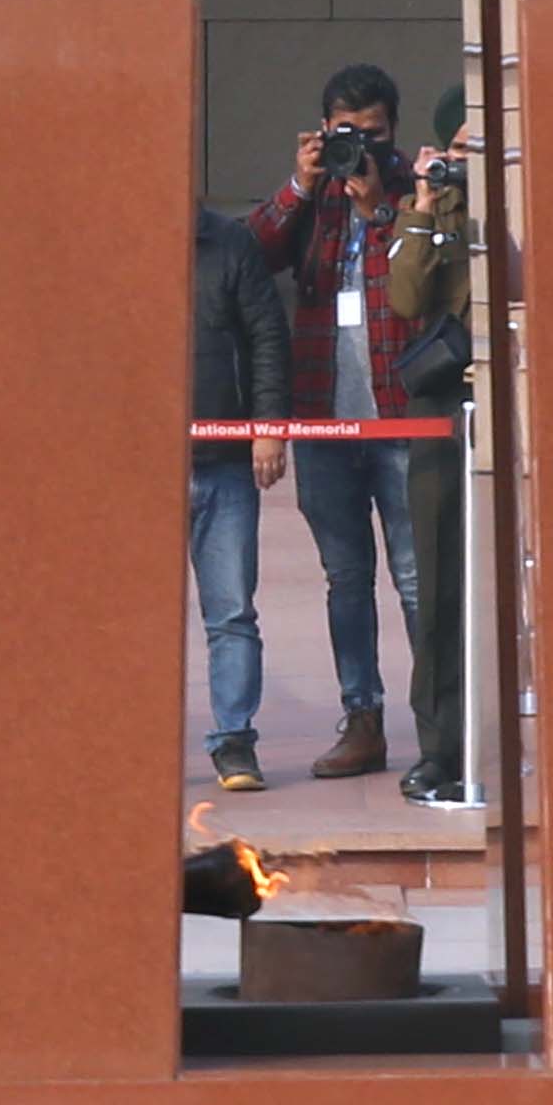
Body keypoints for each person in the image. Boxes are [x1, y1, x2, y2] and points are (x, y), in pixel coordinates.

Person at [249, 62, 424, 782]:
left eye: (373, 135)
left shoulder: (416, 189)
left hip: (402, 417)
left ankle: (439, 725)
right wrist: (300, 182)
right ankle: (363, 719)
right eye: (345, 134)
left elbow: (424, 284)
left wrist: (379, 205)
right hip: (326, 415)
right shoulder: (313, 194)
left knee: (414, 577)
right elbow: (251, 255)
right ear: (324, 131)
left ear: (393, 133)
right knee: (346, 577)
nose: (360, 147)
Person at [387, 86, 482, 803]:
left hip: (525, 393)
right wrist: (424, 202)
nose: (467, 162)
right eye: (458, 150)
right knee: (441, 581)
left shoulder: (532, 192)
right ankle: (440, 749)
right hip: (446, 404)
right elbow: (407, 300)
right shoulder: (428, 210)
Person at [191, 204, 291, 791]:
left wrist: (268, 425)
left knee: (231, 612)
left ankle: (234, 742)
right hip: (140, 466)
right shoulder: (118, 242)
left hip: (226, 460)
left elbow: (267, 338)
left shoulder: (231, 243)